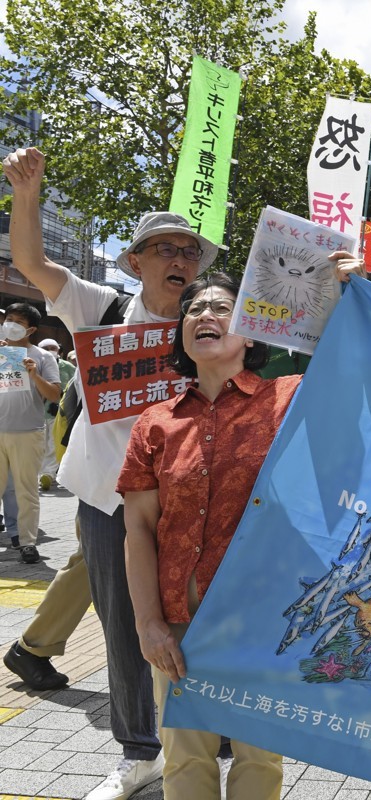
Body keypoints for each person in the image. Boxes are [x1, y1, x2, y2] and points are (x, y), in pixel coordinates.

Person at [2, 145, 219, 799]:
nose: (179, 260)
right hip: (106, 501)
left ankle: (212, 732)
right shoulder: (101, 309)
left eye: (189, 252)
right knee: (123, 626)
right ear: (136, 262)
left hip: (189, 504)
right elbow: (32, 264)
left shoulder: (209, 322)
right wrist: (28, 194)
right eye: (165, 249)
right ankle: (139, 751)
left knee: (199, 618)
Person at [118, 266, 351, 799]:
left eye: (222, 307)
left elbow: (354, 368)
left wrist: (346, 292)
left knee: (258, 762)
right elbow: (138, 528)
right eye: (194, 310)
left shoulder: (290, 400)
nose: (205, 315)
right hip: (179, 623)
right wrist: (148, 624)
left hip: (262, 619)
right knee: (185, 762)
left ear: (251, 329)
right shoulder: (156, 423)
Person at [0, 303, 61, 563]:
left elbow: (54, 394)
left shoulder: (43, 357)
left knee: (27, 491)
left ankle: (27, 542)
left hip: (28, 432)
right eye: (8, 318)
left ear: (31, 329)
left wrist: (34, 374)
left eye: (18, 321)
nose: (10, 324)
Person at [36, 336, 73, 490]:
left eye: (53, 348)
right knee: (38, 445)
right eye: (46, 348)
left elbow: (73, 387)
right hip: (35, 413)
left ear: (59, 350)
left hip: (58, 414)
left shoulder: (68, 368)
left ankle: (48, 474)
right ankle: (38, 473)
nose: (50, 351)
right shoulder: (34, 364)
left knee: (52, 443)